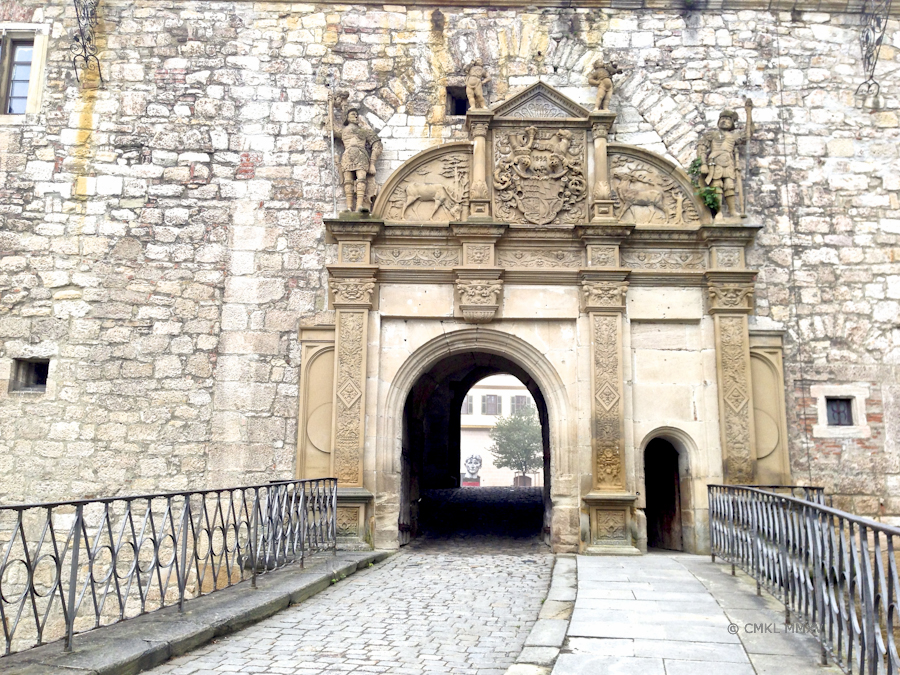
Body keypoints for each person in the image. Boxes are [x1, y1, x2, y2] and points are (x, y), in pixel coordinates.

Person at [696, 107, 751, 219]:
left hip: (729, 162)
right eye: (723, 119)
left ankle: (732, 211)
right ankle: (719, 212)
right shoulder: (711, 135)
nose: (724, 121)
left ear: (732, 124)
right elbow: (701, 149)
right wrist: (703, 164)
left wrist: (749, 113)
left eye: (728, 119)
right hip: (714, 163)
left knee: (729, 186)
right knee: (717, 185)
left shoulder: (734, 136)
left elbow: (748, 134)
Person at [329, 107, 382, 212]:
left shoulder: (364, 131)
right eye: (353, 114)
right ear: (347, 118)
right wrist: (330, 107)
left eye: (357, 114)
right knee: (348, 181)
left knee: (361, 180)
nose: (356, 116)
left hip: (361, 156)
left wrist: (372, 163)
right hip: (347, 156)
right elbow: (332, 127)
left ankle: (359, 206)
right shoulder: (343, 131)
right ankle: (349, 207)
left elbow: (377, 144)